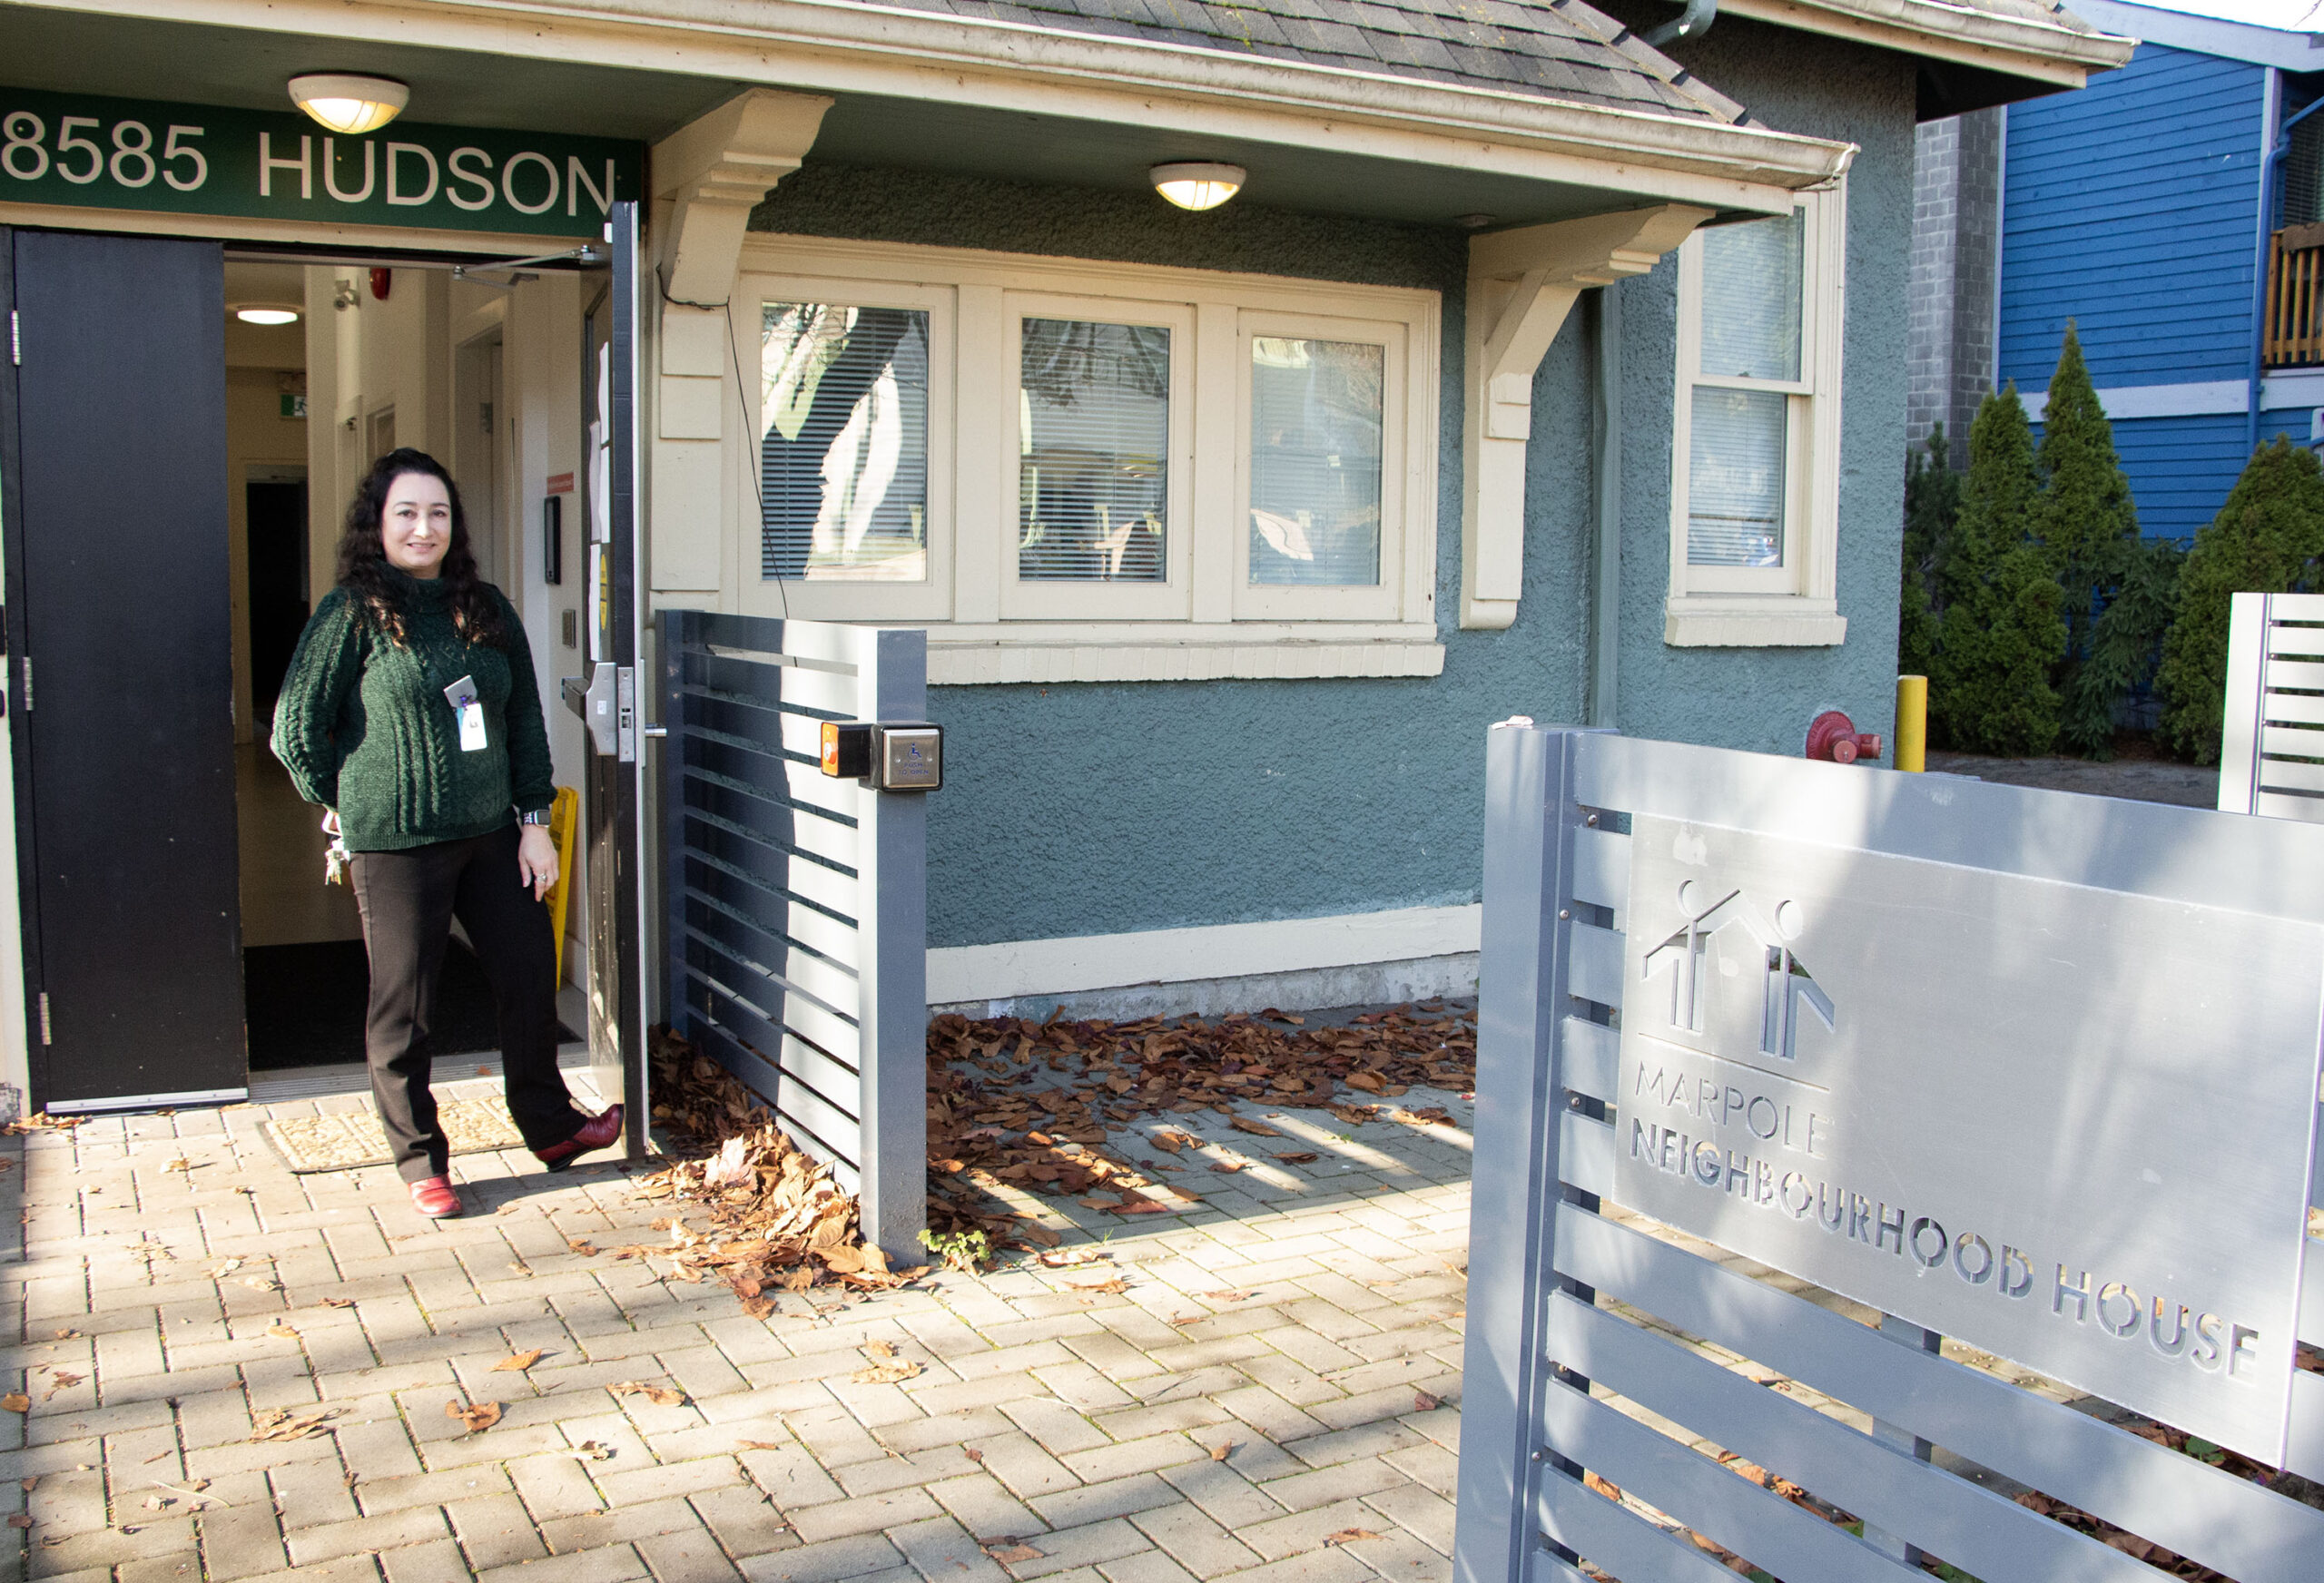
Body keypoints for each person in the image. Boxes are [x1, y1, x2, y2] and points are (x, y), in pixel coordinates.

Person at [272, 448, 621, 1218]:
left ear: (452, 525)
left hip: (494, 835)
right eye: (406, 513)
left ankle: (553, 1127)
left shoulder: (485, 607)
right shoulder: (352, 614)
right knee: (407, 1008)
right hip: (395, 846)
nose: (423, 527)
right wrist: (346, 803)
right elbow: (295, 729)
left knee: (529, 975)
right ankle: (421, 1161)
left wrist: (536, 825)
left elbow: (524, 722)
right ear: (379, 523)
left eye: (437, 513)